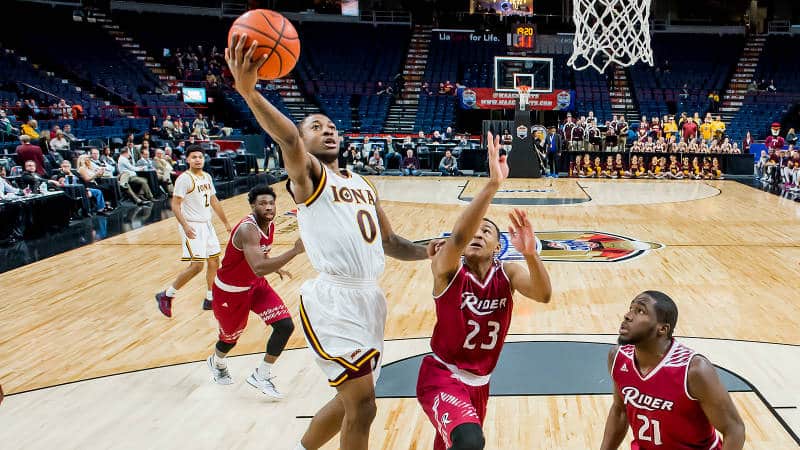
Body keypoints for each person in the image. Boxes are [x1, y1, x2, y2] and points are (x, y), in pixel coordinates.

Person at [225, 34, 438, 450]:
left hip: (369, 300)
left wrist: (428, 250)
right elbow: (286, 138)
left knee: (348, 402)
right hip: (333, 300)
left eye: (331, 126)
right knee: (365, 407)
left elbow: (391, 241)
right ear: (302, 144)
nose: (327, 131)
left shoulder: (362, 183)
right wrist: (249, 92)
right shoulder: (308, 180)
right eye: (315, 127)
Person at [418, 133, 552, 450]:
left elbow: (543, 294)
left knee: (456, 444)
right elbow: (461, 233)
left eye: (487, 231)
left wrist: (531, 254)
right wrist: (492, 184)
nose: (478, 234)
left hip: (480, 384)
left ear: (497, 246)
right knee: (469, 440)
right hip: (441, 376)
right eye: (474, 231)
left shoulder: (507, 272)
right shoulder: (448, 268)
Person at [600, 291, 745, 450]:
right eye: (631, 308)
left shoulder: (693, 370)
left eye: (640, 311)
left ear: (662, 329)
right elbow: (620, 411)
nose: (628, 315)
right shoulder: (618, 357)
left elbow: (734, 430)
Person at [207, 184, 304, 399]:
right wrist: (295, 251)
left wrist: (276, 265)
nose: (268, 207)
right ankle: (218, 361)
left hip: (256, 285)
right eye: (262, 203)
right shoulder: (247, 229)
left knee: (285, 325)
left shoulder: (268, 225)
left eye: (271, 203)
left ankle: (262, 374)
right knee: (229, 340)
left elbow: (260, 258)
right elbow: (258, 266)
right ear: (252, 206)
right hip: (231, 292)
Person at [155, 145, 232, 317]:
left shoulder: (207, 177)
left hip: (207, 224)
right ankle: (166, 295)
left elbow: (214, 200)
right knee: (197, 266)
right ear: (187, 160)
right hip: (192, 225)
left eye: (200, 157)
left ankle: (210, 299)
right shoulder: (184, 179)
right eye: (194, 157)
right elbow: (175, 205)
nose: (198, 159)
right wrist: (185, 226)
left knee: (214, 261)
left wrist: (226, 222)